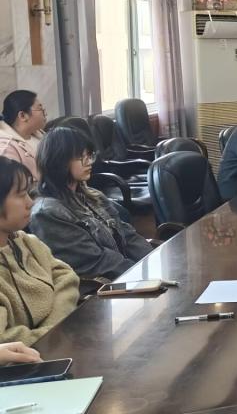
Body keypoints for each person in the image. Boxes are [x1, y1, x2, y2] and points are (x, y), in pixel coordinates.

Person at [29, 127, 153, 281]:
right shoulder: (47, 212)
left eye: (89, 155)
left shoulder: (92, 195)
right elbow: (97, 261)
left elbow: (128, 236)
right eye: (81, 157)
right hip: (99, 287)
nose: (89, 162)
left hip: (125, 276)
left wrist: (153, 261)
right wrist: (142, 275)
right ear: (59, 161)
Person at [0, 157, 79, 345]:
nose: (30, 202)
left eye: (28, 193)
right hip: (30, 359)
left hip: (60, 342)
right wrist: (51, 335)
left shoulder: (26, 242)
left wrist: (52, 328)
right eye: (21, 195)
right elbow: (4, 340)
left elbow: (66, 277)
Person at [0, 90, 47, 180]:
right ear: (22, 115)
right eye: (40, 109)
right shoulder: (6, 148)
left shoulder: (40, 135)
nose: (46, 114)